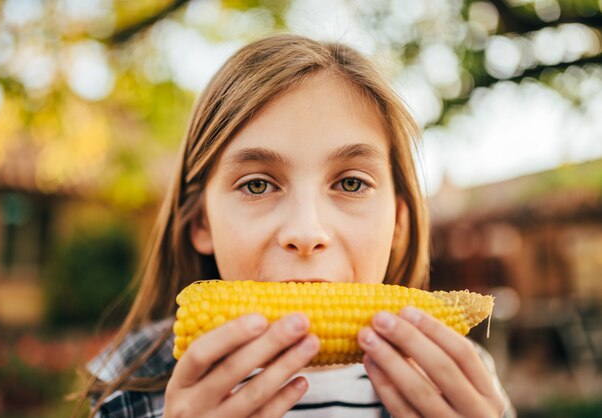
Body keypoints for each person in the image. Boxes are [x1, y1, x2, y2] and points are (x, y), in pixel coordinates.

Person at [76, 34, 515, 417]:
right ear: (200, 224)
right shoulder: (131, 384)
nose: (306, 233)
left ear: (398, 223)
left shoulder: (460, 386)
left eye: (350, 182)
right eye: (257, 185)